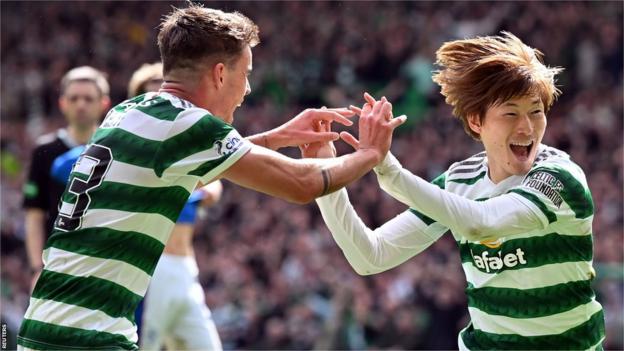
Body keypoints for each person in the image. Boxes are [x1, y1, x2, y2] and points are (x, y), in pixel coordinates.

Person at [16, 4, 405, 351]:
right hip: (89, 336)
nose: (248, 88)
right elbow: (302, 185)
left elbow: (181, 171)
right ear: (220, 73)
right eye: (246, 73)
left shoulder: (130, 111)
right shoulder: (189, 126)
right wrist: (371, 154)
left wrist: (275, 138)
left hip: (43, 328)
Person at [312, 32, 605, 350]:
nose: (527, 127)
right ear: (476, 122)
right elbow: (371, 256)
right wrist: (325, 178)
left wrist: (388, 170)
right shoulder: (460, 181)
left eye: (536, 111)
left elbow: (482, 222)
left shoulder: (559, 176)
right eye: (511, 113)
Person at [52, 62, 227, 350]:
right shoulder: (134, 152)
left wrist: (207, 187)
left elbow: (215, 181)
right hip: (150, 268)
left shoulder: (187, 150)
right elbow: (65, 165)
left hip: (186, 269)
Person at [22, 66, 110, 289]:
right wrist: (36, 268)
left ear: (104, 103)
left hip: (107, 266)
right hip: (58, 265)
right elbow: (35, 214)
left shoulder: (117, 149)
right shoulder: (45, 151)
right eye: (74, 98)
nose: (81, 104)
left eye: (88, 98)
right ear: (63, 103)